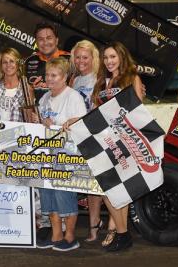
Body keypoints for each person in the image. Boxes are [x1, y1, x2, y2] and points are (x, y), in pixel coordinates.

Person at [92, 41, 144, 252]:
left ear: (122, 57)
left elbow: (138, 111)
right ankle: (122, 234)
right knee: (109, 189)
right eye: (106, 58)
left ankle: (122, 235)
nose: (109, 61)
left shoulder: (132, 78)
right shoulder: (101, 82)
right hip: (105, 141)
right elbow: (94, 112)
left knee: (120, 189)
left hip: (126, 140)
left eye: (113, 57)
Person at [32, 58, 87, 251]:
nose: (50, 78)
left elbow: (83, 121)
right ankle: (56, 233)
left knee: (64, 193)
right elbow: (40, 123)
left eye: (54, 75)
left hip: (66, 155)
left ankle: (70, 236)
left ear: (64, 77)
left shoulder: (73, 97)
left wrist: (73, 121)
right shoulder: (44, 98)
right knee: (49, 194)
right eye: (48, 75)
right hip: (47, 155)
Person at [70, 40, 105, 242]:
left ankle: (111, 227)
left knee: (102, 185)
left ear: (93, 58)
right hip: (81, 137)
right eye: (78, 57)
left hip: (98, 136)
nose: (81, 61)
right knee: (89, 185)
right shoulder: (74, 80)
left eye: (85, 57)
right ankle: (94, 227)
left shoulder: (99, 78)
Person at [0, 47, 34, 121]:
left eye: (12, 61)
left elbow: (28, 120)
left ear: (18, 64)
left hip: (18, 132)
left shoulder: (27, 89)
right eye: (5, 62)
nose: (8, 65)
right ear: (1, 65)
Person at [25, 22, 70, 103]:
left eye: (49, 38)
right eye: (41, 39)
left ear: (56, 40)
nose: (45, 42)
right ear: (36, 43)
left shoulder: (70, 60)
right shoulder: (29, 61)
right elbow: (25, 93)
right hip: (36, 113)